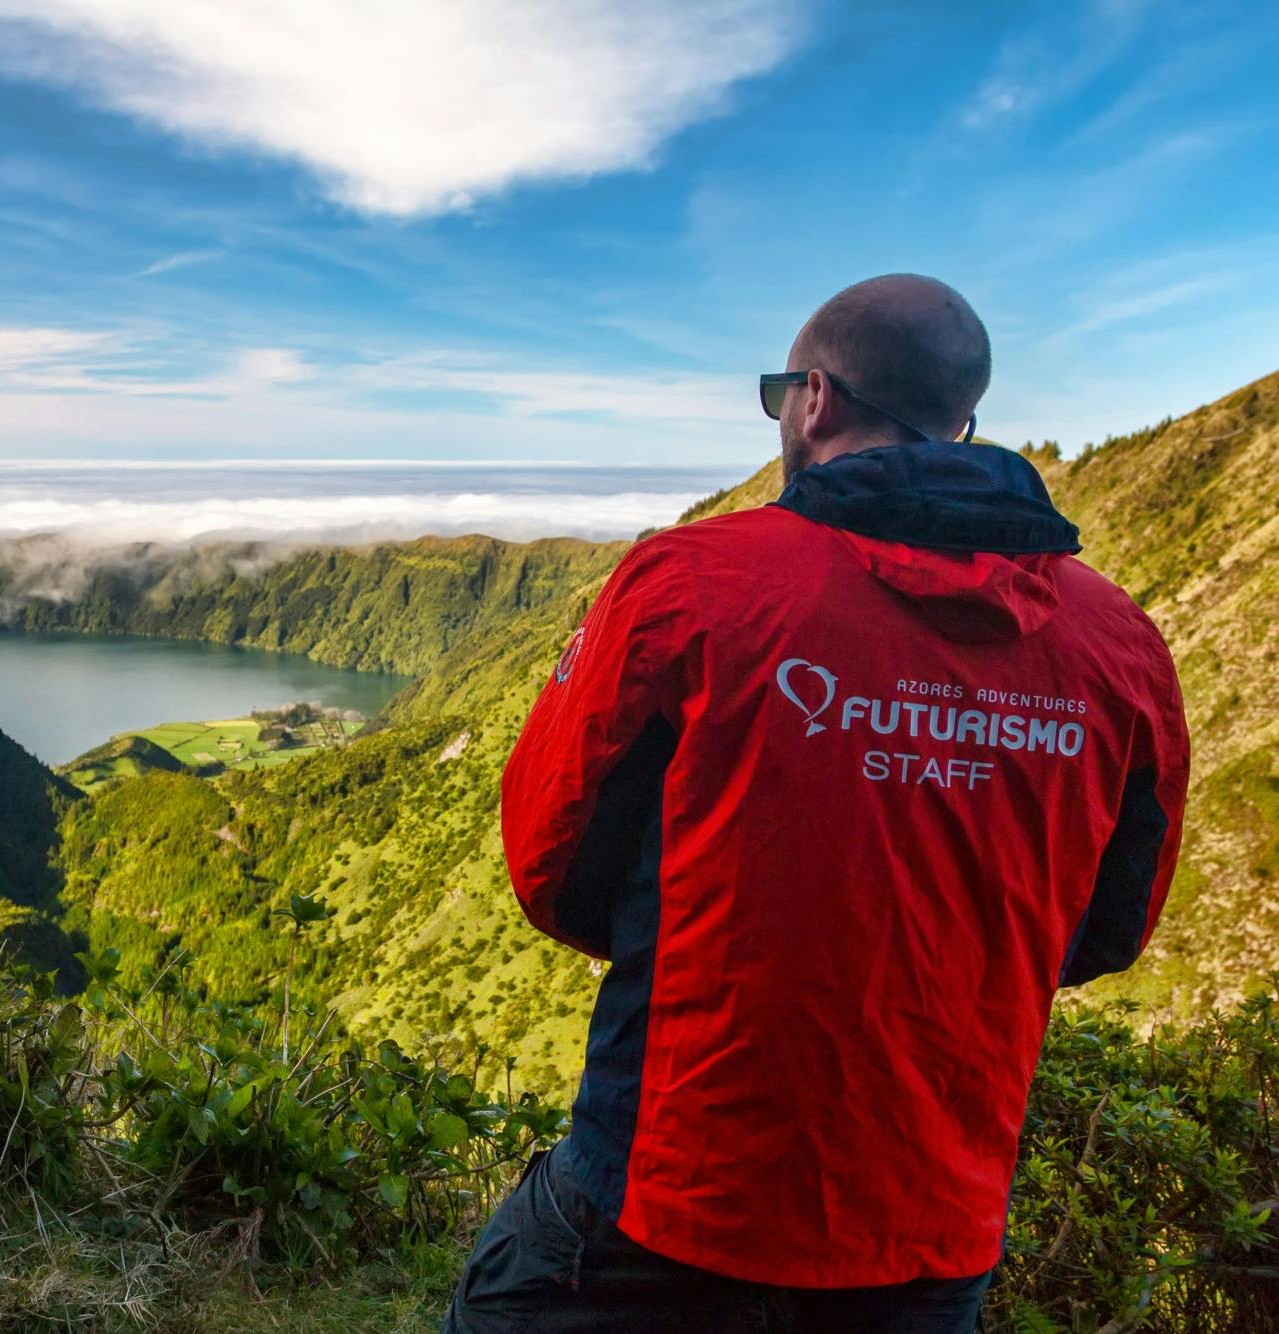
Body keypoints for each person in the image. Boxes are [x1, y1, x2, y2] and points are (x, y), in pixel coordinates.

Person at [444, 274, 1188, 1333]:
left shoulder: (691, 585)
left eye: (776, 395)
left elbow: (551, 857)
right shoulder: (1118, 646)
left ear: (813, 399)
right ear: (961, 422)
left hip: (664, 1184)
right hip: (926, 1228)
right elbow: (1107, 924)